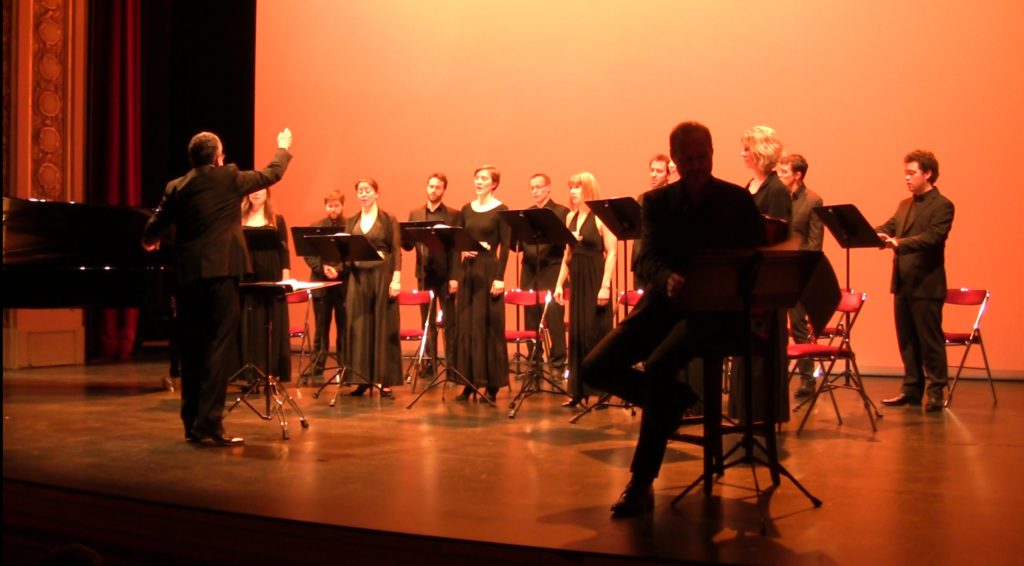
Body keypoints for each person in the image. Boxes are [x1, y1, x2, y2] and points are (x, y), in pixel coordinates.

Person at [580, 121, 765, 516]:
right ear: (675, 159)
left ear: (712, 153)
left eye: (701, 157)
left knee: (661, 365)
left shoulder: (736, 201)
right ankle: (675, 399)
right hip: (665, 304)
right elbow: (644, 261)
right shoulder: (656, 202)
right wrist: (668, 279)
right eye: (687, 159)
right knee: (594, 367)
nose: (695, 166)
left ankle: (641, 482)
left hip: (718, 313)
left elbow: (757, 260)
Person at [142, 128, 294, 446]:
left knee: (192, 351)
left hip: (187, 278)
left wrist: (150, 239)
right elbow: (272, 174)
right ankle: (210, 423)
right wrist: (282, 148)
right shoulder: (229, 178)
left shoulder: (177, 186)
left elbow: (155, 225)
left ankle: (192, 424)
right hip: (222, 275)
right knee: (218, 348)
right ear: (217, 157)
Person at [875, 150, 954, 412]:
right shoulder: (904, 205)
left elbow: (933, 237)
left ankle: (935, 390)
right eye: (905, 173)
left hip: (926, 285)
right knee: (906, 339)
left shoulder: (943, 205)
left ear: (927, 173)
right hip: (903, 282)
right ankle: (911, 389)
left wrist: (899, 243)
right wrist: (872, 234)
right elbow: (889, 226)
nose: (907, 178)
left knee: (929, 340)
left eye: (912, 173)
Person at [553, 172, 617, 407]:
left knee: (595, 334)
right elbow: (566, 256)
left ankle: (601, 391)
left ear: (588, 189)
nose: (572, 191)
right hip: (578, 282)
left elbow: (611, 253)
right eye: (570, 187)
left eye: (577, 187)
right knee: (578, 334)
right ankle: (578, 390)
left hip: (595, 279)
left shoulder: (601, 217)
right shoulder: (570, 217)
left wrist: (605, 286)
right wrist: (559, 284)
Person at [450, 165, 511, 404]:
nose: (479, 182)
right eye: (476, 178)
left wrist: (500, 277)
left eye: (484, 178)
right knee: (467, 326)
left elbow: (505, 247)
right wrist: (463, 251)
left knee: (488, 327)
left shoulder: (501, 210)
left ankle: (492, 384)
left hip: (488, 271)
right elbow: (458, 240)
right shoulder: (466, 209)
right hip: (468, 273)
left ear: (494, 183)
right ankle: (468, 382)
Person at [344, 178, 403, 398]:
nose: (363, 194)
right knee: (360, 326)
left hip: (381, 275)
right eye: (360, 191)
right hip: (359, 278)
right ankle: (362, 379)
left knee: (382, 324)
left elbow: (396, 250)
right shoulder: (352, 221)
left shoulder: (388, 219)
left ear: (376, 193)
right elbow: (346, 249)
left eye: (367, 191)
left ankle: (384, 380)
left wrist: (396, 279)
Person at [776, 154, 824, 397]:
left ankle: (807, 377)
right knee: (777, 325)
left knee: (797, 324)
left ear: (798, 174)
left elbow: (815, 243)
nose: (780, 175)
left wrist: (802, 271)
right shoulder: (778, 199)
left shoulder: (813, 201)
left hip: (799, 273)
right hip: (777, 272)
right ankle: (779, 374)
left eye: (784, 171)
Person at [406, 173, 460, 372]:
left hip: (446, 275)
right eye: (430, 186)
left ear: (444, 190)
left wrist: (455, 276)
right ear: (426, 187)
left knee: (450, 321)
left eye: (438, 187)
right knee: (427, 321)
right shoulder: (416, 213)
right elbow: (409, 245)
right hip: (424, 274)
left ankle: (452, 365)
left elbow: (456, 248)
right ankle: (429, 363)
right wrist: (404, 237)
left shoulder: (453, 214)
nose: (433, 190)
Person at [240, 188, 292, 382]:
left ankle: (272, 370)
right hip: (247, 271)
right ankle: (250, 371)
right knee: (249, 318)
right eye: (251, 190)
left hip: (271, 269)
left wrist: (285, 277)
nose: (255, 193)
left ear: (267, 193)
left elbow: (284, 250)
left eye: (260, 190)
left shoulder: (277, 219)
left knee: (271, 318)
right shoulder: (239, 218)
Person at [520, 173, 569, 375]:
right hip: (530, 268)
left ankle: (558, 362)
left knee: (554, 316)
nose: (535, 191)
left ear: (548, 188)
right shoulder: (527, 213)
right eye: (532, 188)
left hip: (552, 267)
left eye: (539, 187)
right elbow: (521, 242)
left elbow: (564, 241)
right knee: (531, 316)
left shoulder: (560, 212)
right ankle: (535, 362)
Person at [303, 189, 347, 382]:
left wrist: (337, 270)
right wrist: (323, 269)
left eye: (336, 205)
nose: (333, 209)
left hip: (342, 283)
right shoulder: (316, 226)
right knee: (321, 326)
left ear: (342, 205)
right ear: (325, 206)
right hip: (321, 282)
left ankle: (345, 365)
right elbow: (309, 255)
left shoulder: (348, 227)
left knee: (343, 327)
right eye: (330, 205)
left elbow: (350, 255)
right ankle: (317, 365)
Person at [632, 154, 673, 289]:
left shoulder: (671, 197)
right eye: (652, 170)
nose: (654, 174)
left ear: (668, 174)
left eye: (659, 171)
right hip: (641, 263)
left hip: (659, 264)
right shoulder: (642, 198)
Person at [741, 125, 791, 225]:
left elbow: (776, 233)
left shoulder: (776, 189)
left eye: (747, 149)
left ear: (760, 152)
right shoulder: (752, 183)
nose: (742, 153)